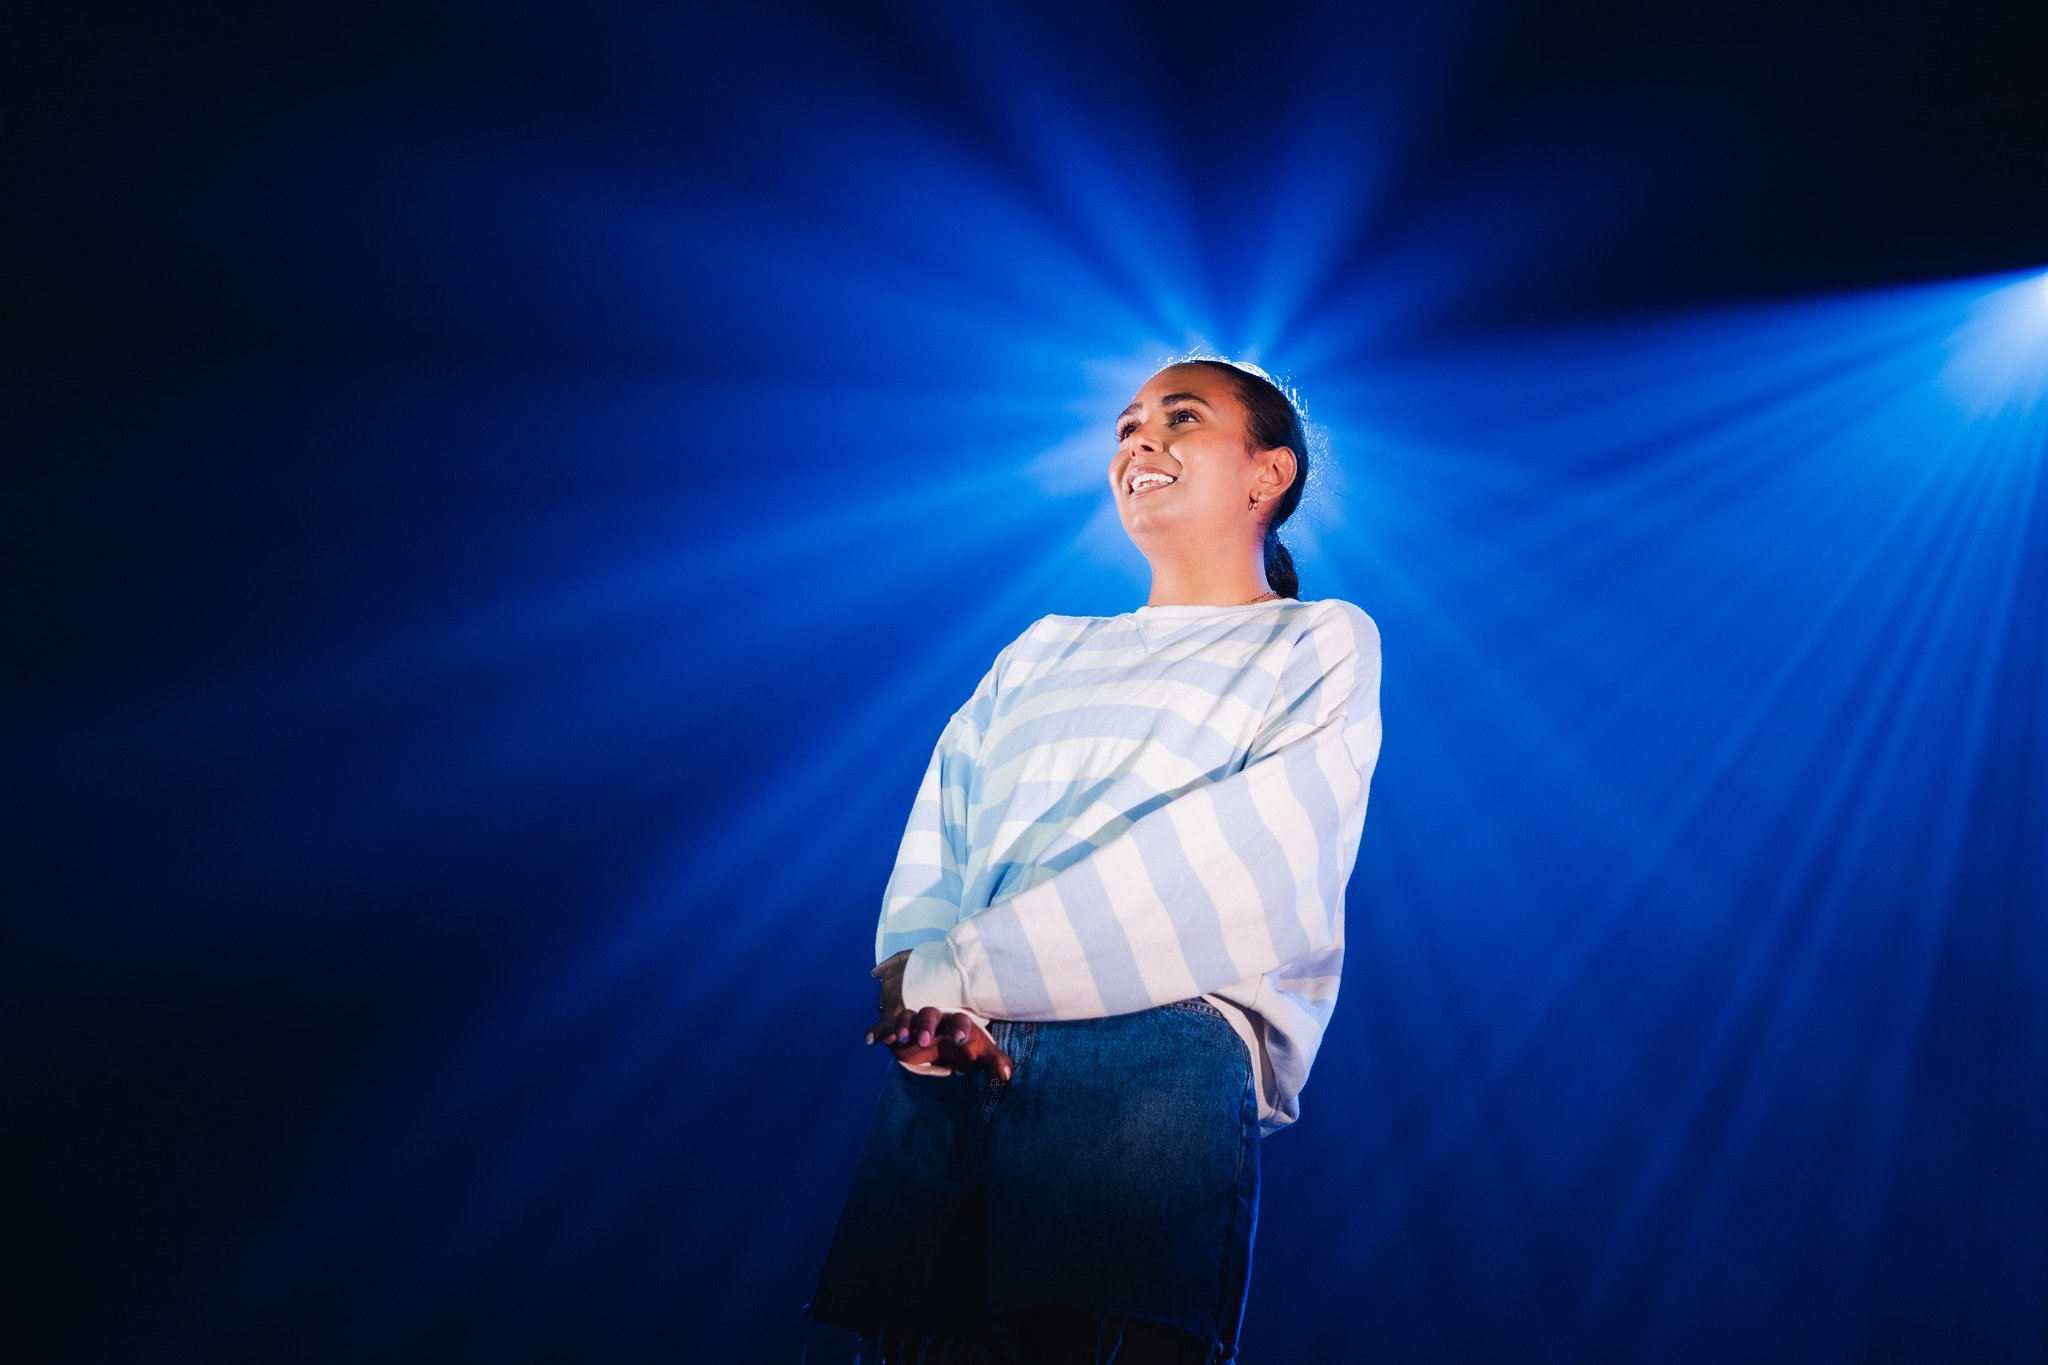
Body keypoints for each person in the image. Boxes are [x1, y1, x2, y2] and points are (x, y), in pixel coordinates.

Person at [801, 358, 1384, 1363]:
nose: (1137, 441)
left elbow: (1240, 865)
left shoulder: (1314, 640)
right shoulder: (1041, 647)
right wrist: (919, 997)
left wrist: (957, 973)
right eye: (1125, 426)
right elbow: (945, 824)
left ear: (1266, 475)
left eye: (1181, 418)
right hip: (958, 1052)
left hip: (1148, 1056)